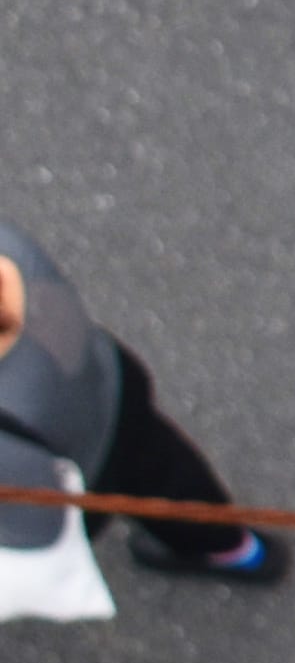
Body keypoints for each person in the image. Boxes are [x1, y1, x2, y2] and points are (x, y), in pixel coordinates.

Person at [0, 223, 277, 621]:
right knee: (168, 473)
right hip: (108, 381)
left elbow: (38, 525)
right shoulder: (11, 248)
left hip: (83, 474)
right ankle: (237, 550)